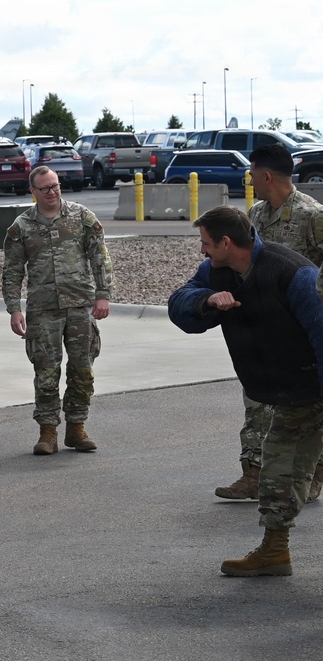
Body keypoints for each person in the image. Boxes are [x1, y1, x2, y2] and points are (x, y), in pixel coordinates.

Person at [168, 205, 323, 576]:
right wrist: (206, 301)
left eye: (206, 243)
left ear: (226, 242)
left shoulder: (293, 273)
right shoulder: (215, 271)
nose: (202, 250)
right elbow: (178, 302)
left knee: (281, 464)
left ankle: (274, 551)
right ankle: (275, 552)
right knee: (281, 466)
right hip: (292, 392)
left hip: (312, 387)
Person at [214, 144, 323, 501]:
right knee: (257, 399)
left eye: (251, 175)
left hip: (301, 330)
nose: (249, 181)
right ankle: (253, 472)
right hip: (263, 327)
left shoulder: (312, 215)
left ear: (266, 176)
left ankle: (314, 473)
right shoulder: (256, 215)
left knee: (308, 405)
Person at [2, 166, 113, 455]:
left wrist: (103, 295)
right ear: (33, 192)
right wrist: (14, 309)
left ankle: (76, 428)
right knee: (46, 373)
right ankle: (48, 432)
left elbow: (100, 257)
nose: (52, 192)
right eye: (45, 188)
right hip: (43, 310)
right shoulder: (21, 226)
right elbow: (12, 271)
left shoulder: (81, 216)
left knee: (82, 370)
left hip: (80, 305)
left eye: (55, 186)